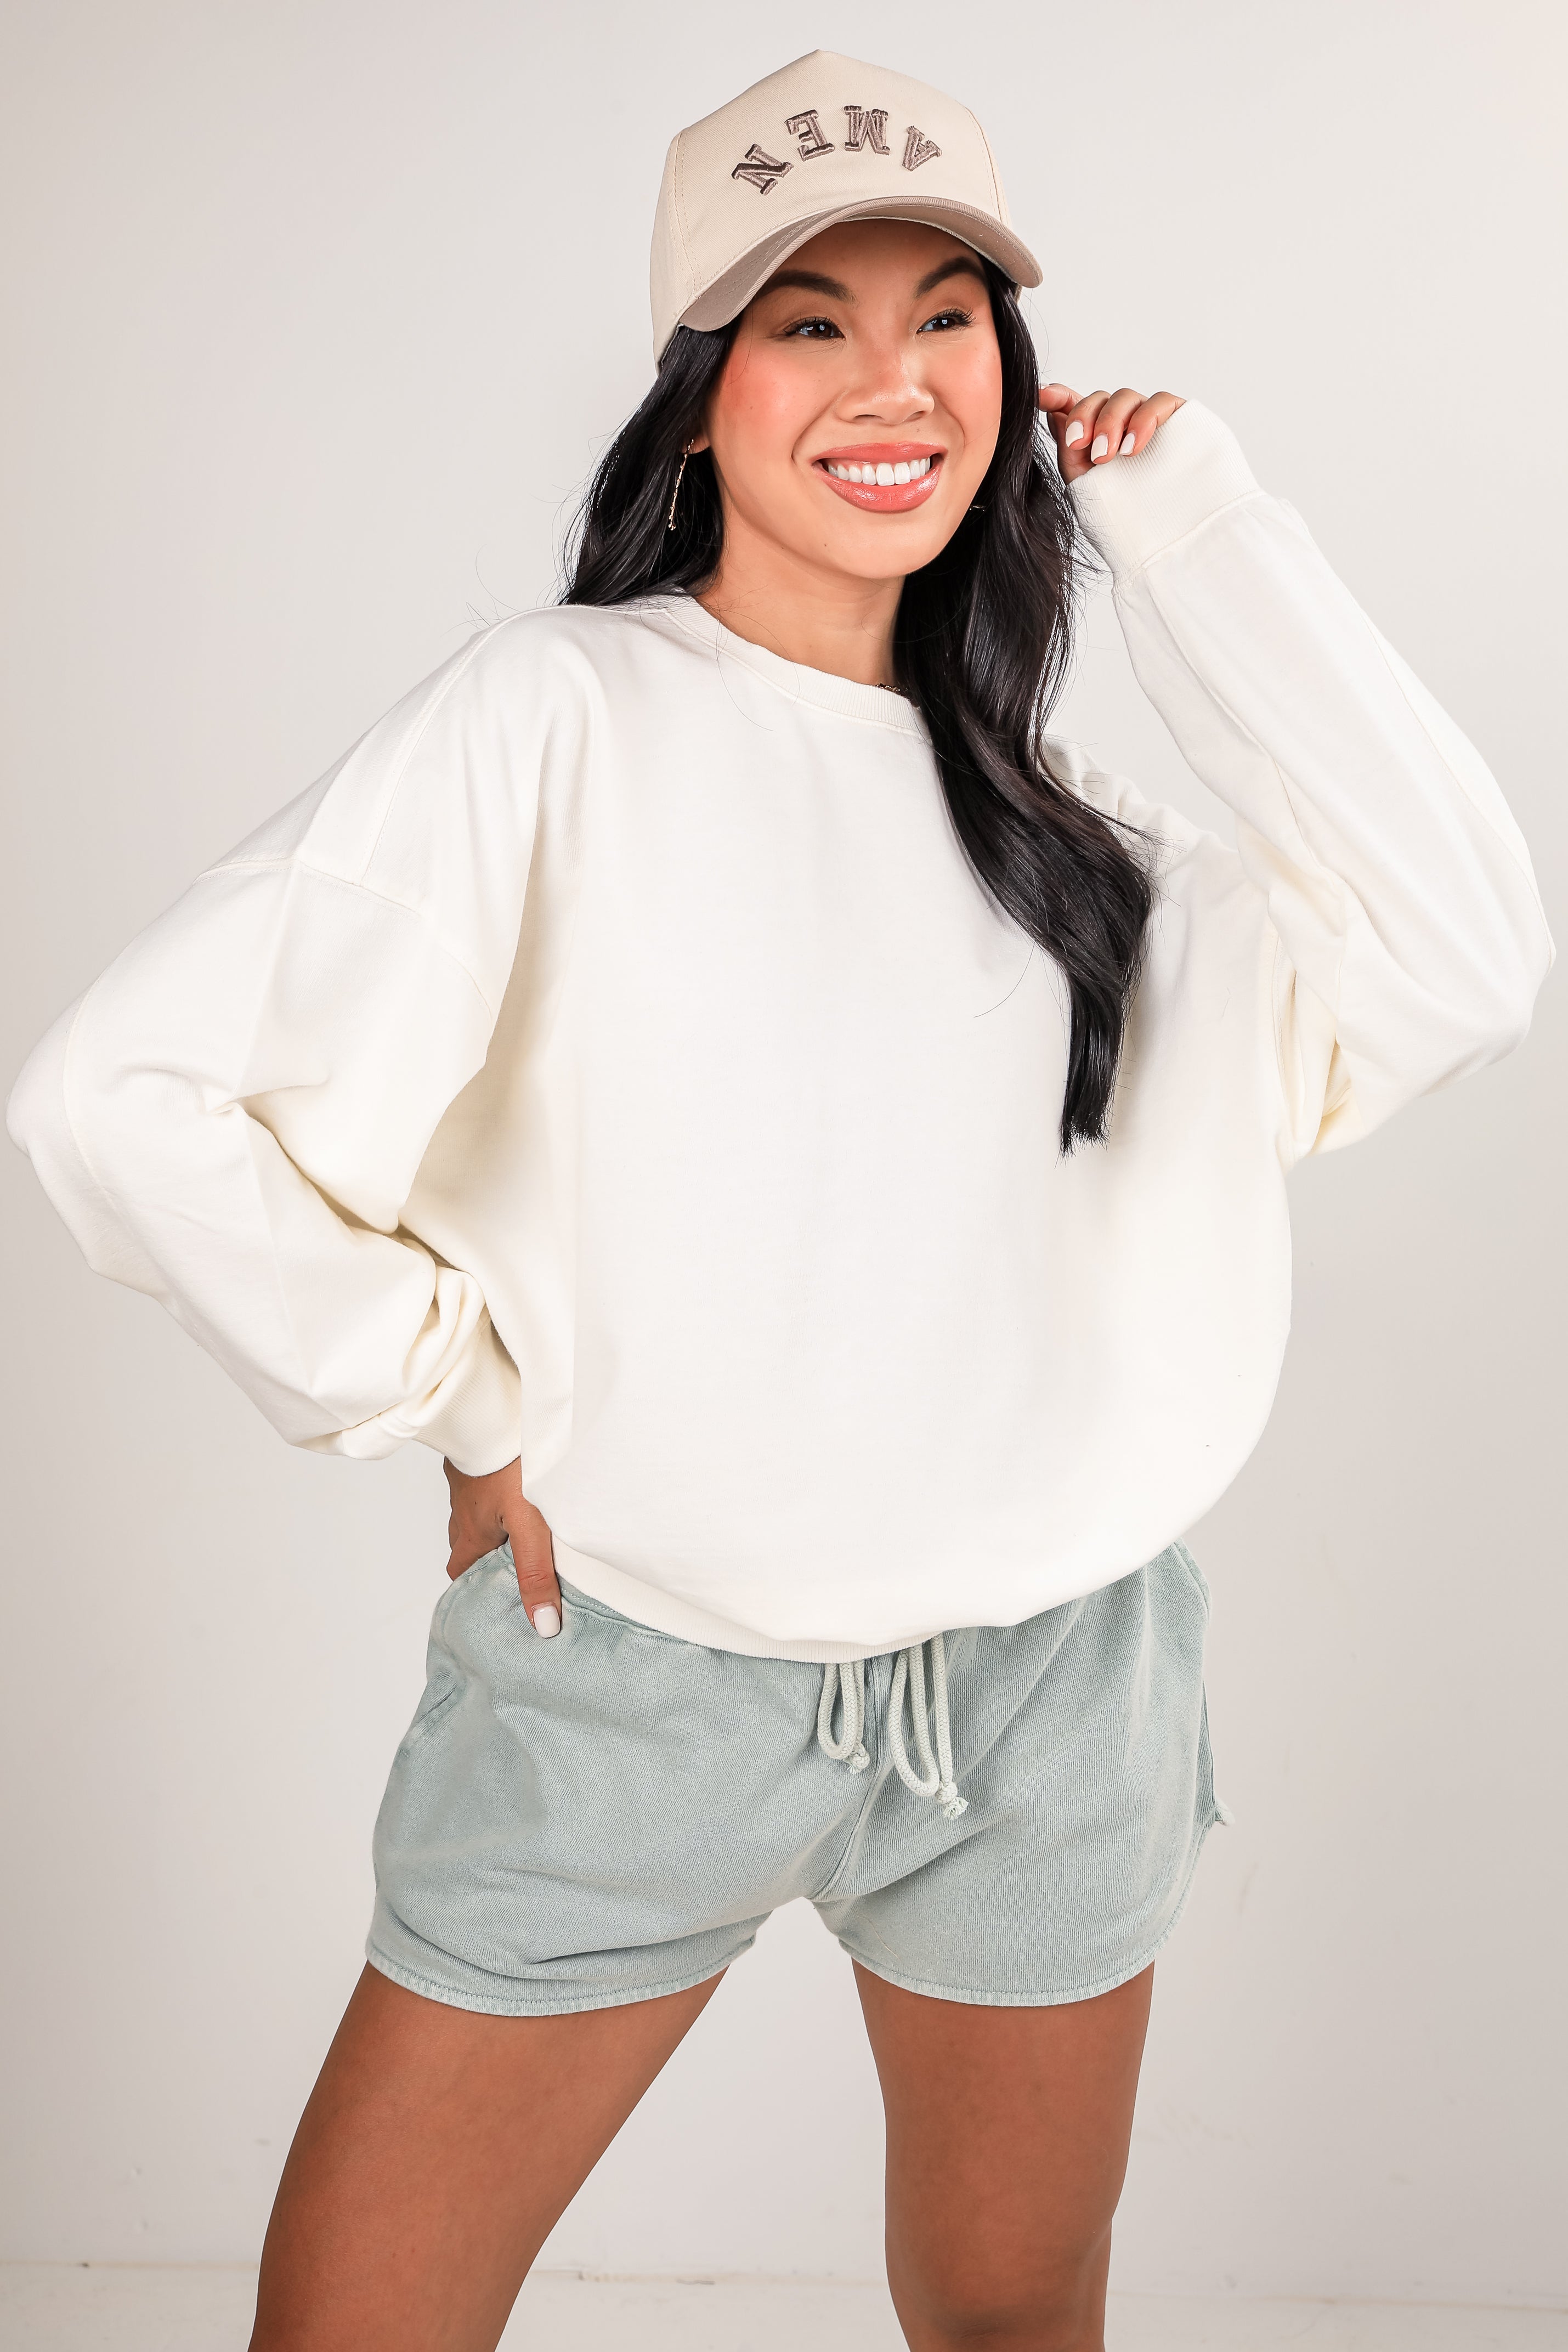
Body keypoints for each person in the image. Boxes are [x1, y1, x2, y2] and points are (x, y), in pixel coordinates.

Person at [7, 46, 1552, 2352]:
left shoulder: (1075, 825)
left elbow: (1462, 953)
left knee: (1016, 2318)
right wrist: (450, 1386)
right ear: (702, 395)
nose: (892, 374)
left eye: (949, 313)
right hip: (631, 1681)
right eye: (808, 319)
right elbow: (117, 1092)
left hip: (1054, 1691)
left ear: (1009, 371)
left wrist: (1202, 527)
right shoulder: (555, 716)